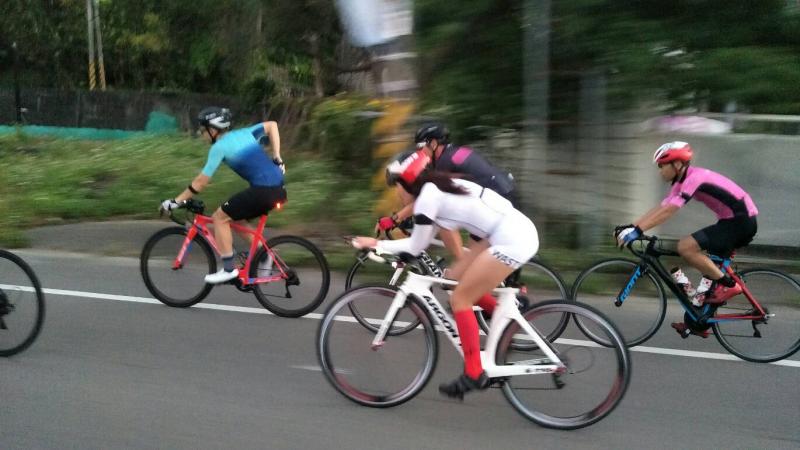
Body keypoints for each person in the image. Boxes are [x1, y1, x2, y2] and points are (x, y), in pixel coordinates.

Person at [352, 150, 539, 399]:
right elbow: (422, 240)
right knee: (453, 280)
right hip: (500, 232)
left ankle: (474, 372)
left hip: (511, 238)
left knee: (460, 299)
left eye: (397, 185)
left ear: (409, 181)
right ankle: (505, 320)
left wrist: (376, 244)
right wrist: (393, 246)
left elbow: (416, 246)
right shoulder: (434, 191)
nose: (397, 192)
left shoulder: (429, 197)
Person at [614, 141, 758, 337]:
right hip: (731, 222)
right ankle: (698, 323)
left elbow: (670, 211)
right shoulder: (681, 181)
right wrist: (632, 226)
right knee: (708, 271)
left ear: (677, 164)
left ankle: (730, 286)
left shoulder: (694, 178)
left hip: (740, 222)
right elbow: (663, 207)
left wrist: (638, 231)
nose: (660, 171)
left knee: (685, 247)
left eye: (662, 165)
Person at [375, 123, 520, 315]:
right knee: (446, 224)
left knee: (457, 249)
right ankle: (470, 288)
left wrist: (395, 218)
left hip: (499, 202)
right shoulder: (450, 155)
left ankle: (474, 293)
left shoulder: (443, 163)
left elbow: (426, 199)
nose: (420, 152)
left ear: (434, 143)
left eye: (421, 147)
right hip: (500, 194)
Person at [160, 107, 286, 284]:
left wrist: (176, 201)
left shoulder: (219, 147)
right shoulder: (245, 133)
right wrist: (277, 156)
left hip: (263, 190)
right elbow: (272, 125)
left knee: (219, 217)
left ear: (213, 130)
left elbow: (200, 182)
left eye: (203, 129)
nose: (201, 133)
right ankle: (265, 256)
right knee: (236, 219)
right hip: (278, 189)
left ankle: (228, 269)